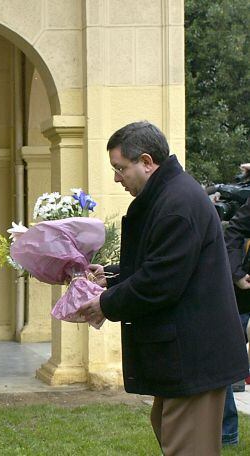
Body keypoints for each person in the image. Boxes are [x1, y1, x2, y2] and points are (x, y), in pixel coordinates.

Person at [78, 121, 249, 455]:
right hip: (185, 355)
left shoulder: (177, 204)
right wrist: (111, 277)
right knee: (174, 438)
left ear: (146, 161)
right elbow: (159, 264)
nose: (117, 178)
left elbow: (160, 282)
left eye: (120, 169)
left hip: (195, 355)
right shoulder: (169, 196)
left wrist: (105, 304)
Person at [219, 170, 250, 446]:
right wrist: (238, 274)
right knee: (228, 359)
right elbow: (234, 233)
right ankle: (228, 433)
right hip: (245, 296)